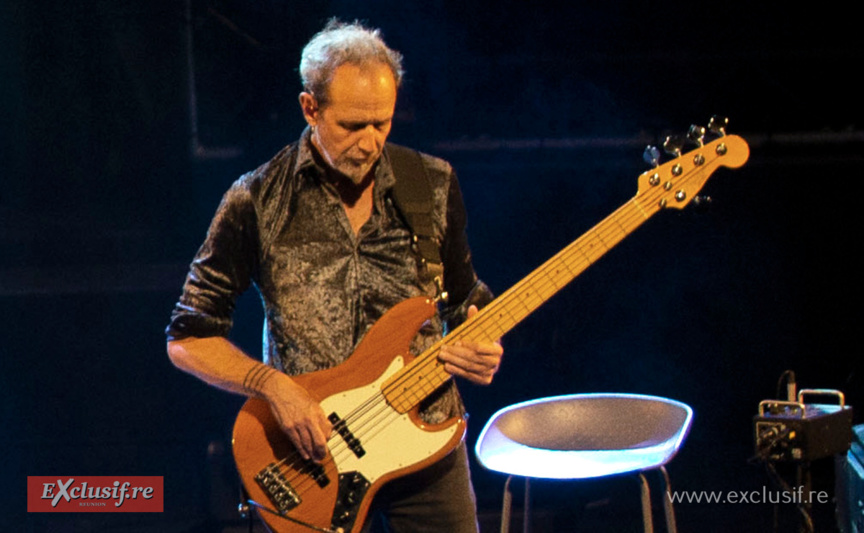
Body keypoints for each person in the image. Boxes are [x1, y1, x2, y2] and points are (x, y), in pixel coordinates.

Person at [166, 18, 503, 533]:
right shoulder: (256, 200)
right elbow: (188, 337)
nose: (369, 143)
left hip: (427, 445)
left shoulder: (430, 184)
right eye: (351, 126)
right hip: (311, 460)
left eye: (382, 124)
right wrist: (272, 385)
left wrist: (481, 339)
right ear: (310, 108)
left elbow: (463, 297)